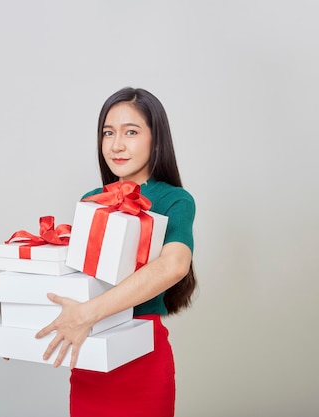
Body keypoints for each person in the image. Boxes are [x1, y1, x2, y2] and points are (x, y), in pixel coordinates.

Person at [35, 87, 197, 417]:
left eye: (131, 132)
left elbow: (175, 265)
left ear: (156, 139)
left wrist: (88, 313)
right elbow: (76, 279)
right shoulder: (91, 199)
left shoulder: (175, 200)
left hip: (143, 364)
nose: (116, 145)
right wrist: (22, 331)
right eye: (108, 133)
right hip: (90, 361)